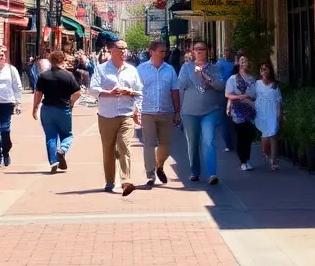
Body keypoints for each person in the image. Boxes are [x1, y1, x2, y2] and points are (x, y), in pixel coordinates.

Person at [90, 38, 142, 196]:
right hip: (106, 115)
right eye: (120, 49)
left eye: (125, 49)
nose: (124, 52)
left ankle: (126, 180)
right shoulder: (101, 69)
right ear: (111, 51)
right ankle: (110, 181)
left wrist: (134, 102)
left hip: (126, 114)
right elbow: (92, 89)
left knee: (124, 147)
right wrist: (109, 93)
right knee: (109, 149)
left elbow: (140, 91)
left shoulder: (132, 70)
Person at [178, 40, 225, 185]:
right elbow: (181, 85)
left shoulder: (215, 68)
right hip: (189, 111)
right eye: (196, 49)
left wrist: (205, 77)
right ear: (192, 52)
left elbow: (220, 85)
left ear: (208, 51)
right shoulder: (186, 68)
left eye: (202, 49)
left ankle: (212, 174)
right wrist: (194, 72)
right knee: (193, 143)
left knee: (208, 141)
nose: (199, 52)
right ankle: (195, 172)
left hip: (209, 110)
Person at [136, 40, 180, 187]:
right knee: (148, 144)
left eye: (165, 51)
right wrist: (136, 109)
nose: (164, 54)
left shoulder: (170, 70)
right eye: (161, 51)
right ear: (152, 52)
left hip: (166, 112)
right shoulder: (141, 69)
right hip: (147, 111)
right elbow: (137, 91)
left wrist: (177, 111)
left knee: (165, 146)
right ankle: (150, 175)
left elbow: (175, 91)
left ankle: (159, 165)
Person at [32, 49, 82, 173]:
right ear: (62, 60)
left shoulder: (43, 76)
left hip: (47, 109)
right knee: (67, 135)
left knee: (50, 136)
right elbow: (78, 92)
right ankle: (63, 149)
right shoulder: (68, 75)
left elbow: (38, 94)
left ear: (50, 61)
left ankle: (53, 161)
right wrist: (70, 102)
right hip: (63, 109)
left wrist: (35, 108)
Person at [224, 54, 259, 171]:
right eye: (242, 60)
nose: (244, 62)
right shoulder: (233, 79)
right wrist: (242, 96)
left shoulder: (252, 79)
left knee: (249, 136)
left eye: (246, 60)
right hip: (238, 111)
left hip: (251, 111)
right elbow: (228, 94)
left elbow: (256, 95)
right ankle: (243, 161)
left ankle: (247, 159)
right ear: (238, 62)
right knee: (240, 137)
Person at [254, 61, 283, 170]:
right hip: (261, 112)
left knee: (273, 135)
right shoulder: (257, 84)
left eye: (266, 68)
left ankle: (273, 161)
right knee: (265, 138)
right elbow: (252, 96)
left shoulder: (274, 85)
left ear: (270, 70)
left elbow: (279, 100)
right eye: (262, 69)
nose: (264, 71)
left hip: (272, 111)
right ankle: (268, 155)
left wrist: (280, 113)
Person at [215, 48, 236, 152]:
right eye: (227, 51)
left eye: (229, 51)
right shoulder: (222, 64)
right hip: (226, 93)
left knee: (227, 118)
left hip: (229, 93)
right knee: (226, 117)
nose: (228, 53)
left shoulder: (232, 64)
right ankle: (230, 142)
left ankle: (231, 142)